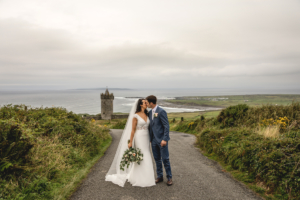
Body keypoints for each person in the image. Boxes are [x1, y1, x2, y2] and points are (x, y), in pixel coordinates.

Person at [105, 99, 155, 187]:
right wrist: (130, 142)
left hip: (146, 137)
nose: (146, 104)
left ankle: (147, 177)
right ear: (140, 105)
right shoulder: (135, 116)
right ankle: (140, 178)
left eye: (146, 103)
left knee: (147, 153)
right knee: (142, 154)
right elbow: (132, 130)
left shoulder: (147, 114)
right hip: (139, 137)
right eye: (144, 103)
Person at [146, 95, 173, 186]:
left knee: (165, 159)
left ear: (151, 103)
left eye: (147, 102)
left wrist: (165, 139)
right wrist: (150, 138)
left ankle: (169, 177)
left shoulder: (161, 111)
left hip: (162, 140)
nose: (146, 104)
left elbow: (166, 126)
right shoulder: (150, 113)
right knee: (157, 159)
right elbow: (151, 126)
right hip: (153, 140)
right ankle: (160, 176)